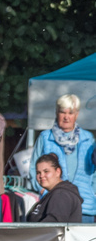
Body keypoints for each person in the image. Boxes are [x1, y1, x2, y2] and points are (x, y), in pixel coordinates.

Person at [33, 94, 95, 222]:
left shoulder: (88, 139)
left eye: (70, 113)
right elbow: (33, 168)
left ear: (76, 114)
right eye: (62, 112)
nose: (66, 117)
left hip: (85, 207)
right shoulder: (45, 137)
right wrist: (43, 191)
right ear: (56, 112)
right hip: (55, 205)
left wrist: (92, 193)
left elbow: (94, 173)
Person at [27, 153, 84, 223]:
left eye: (46, 171)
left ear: (58, 172)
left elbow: (53, 225)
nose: (41, 175)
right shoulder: (55, 193)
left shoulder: (61, 195)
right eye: (38, 172)